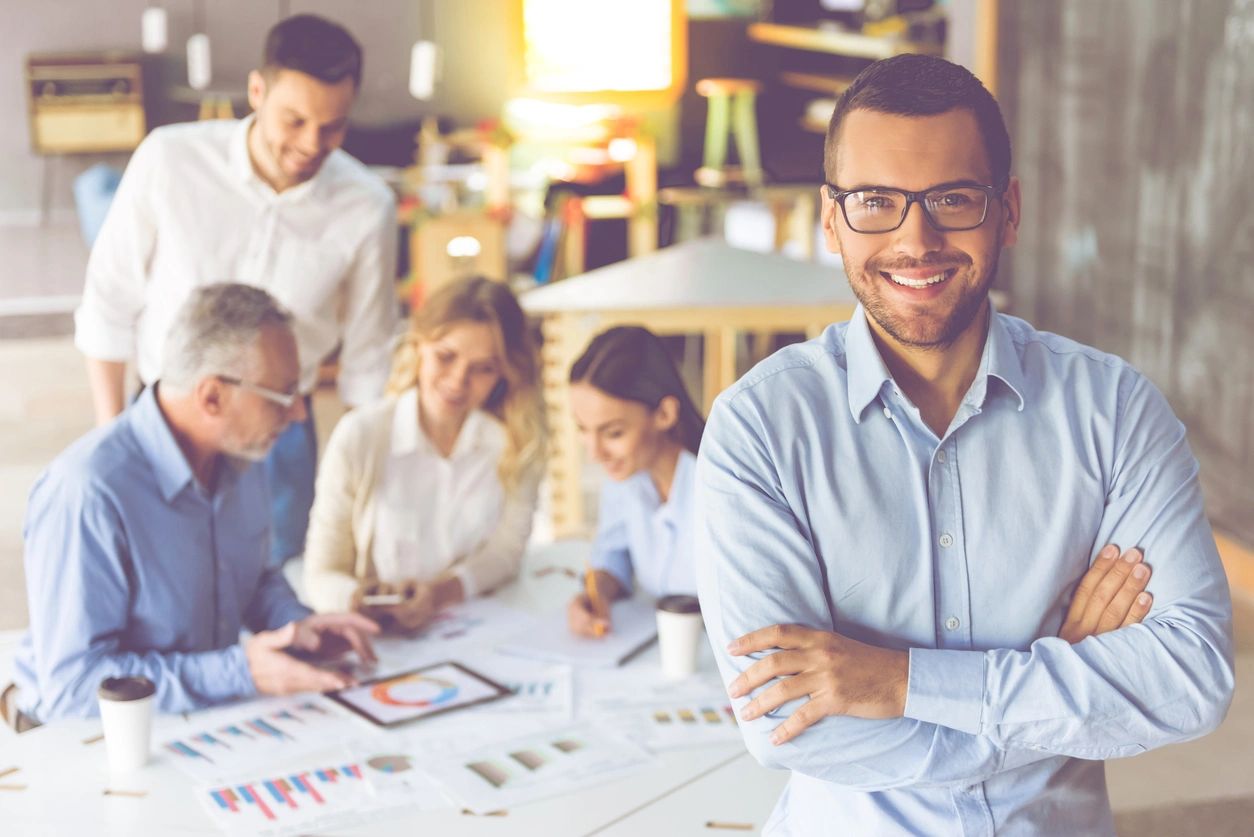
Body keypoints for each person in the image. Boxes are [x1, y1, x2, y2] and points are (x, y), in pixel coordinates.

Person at [695, 54, 1234, 835]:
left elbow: (1190, 680)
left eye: (953, 198)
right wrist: (1059, 682)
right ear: (830, 218)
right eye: (876, 200)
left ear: (1008, 209)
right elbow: (796, 728)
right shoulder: (760, 430)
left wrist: (903, 681)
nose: (917, 240)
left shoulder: (1114, 410)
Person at [73, 14, 398, 567]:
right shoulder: (168, 160)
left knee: (272, 584)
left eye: (332, 127)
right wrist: (112, 440)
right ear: (256, 91)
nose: (310, 144)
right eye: (293, 120)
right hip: (164, 415)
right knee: (155, 576)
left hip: (280, 432)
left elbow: (368, 363)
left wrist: (364, 492)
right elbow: (108, 304)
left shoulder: (367, 206)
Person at [11, 284, 378, 726]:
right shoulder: (87, 493)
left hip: (196, 721)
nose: (300, 414)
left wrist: (298, 629)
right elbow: (72, 689)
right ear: (212, 397)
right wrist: (239, 671)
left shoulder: (244, 455)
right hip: (85, 739)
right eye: (284, 396)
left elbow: (255, 582)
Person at [303, 277, 545, 631]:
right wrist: (363, 601)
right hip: (380, 634)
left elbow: (506, 553)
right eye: (445, 357)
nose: (458, 381)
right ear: (418, 347)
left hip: (478, 627)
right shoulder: (361, 436)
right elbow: (322, 572)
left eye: (484, 368)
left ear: (505, 374)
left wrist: (441, 594)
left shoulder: (515, 443)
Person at [565, 326, 706, 637]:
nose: (595, 454)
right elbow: (614, 552)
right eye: (583, 430)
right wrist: (597, 592)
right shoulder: (625, 477)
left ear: (665, 414)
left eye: (613, 433)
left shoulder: (719, 488)